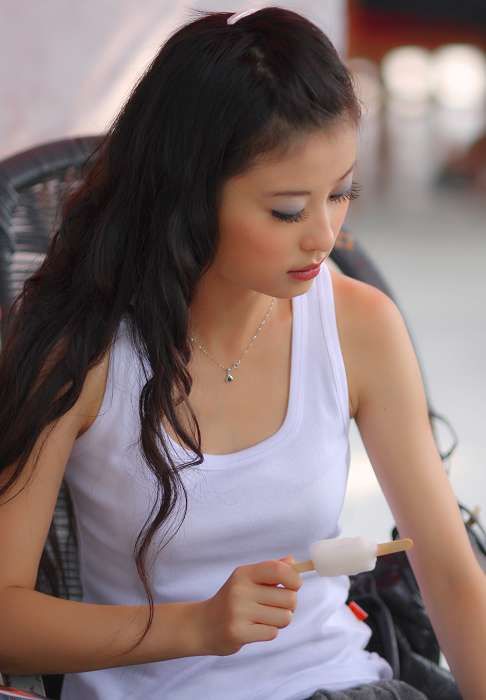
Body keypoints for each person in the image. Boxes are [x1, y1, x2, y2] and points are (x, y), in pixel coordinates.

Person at [0, 7, 484, 700]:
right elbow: (7, 615)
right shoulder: (81, 347)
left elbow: (449, 572)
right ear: (189, 195)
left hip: (341, 685)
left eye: (341, 194)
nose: (324, 236)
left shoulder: (358, 326)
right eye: (287, 210)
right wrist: (194, 626)